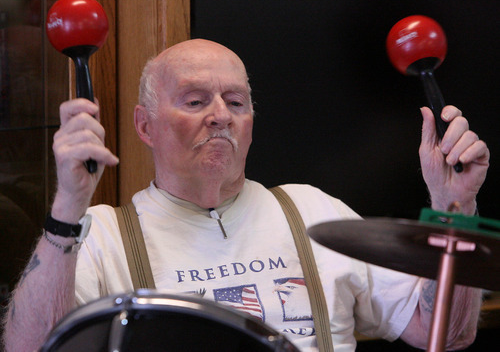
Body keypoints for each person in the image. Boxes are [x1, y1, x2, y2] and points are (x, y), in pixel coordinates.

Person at [2, 39, 489, 352]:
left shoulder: (314, 209)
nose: (220, 115)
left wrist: (456, 208)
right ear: (145, 126)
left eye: (235, 102)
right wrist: (68, 205)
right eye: (195, 101)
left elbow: (446, 332)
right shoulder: (103, 235)